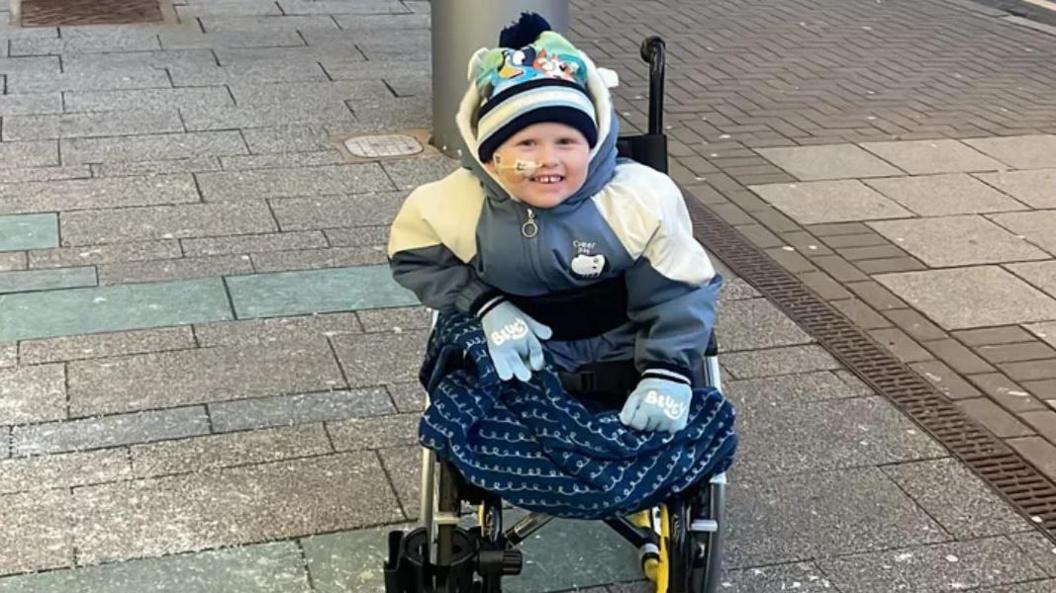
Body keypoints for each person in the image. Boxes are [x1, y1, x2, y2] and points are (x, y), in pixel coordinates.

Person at [387, 13, 722, 434]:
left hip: (623, 354)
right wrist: (481, 302)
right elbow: (412, 254)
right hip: (514, 360)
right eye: (526, 143)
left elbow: (678, 291)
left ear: (594, 145)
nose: (548, 160)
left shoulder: (636, 199)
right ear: (489, 158)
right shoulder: (457, 203)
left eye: (566, 142)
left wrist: (667, 369)